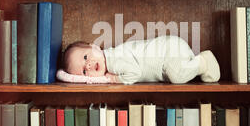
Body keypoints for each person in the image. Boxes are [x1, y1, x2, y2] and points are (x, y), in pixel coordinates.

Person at [63, 35, 220, 85]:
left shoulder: (113, 60)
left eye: (85, 57)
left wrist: (116, 79)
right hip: (171, 49)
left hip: (169, 51)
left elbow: (135, 73)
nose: (89, 65)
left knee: (177, 76)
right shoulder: (113, 57)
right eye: (84, 71)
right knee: (175, 75)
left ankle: (203, 62)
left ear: (95, 47)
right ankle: (195, 64)